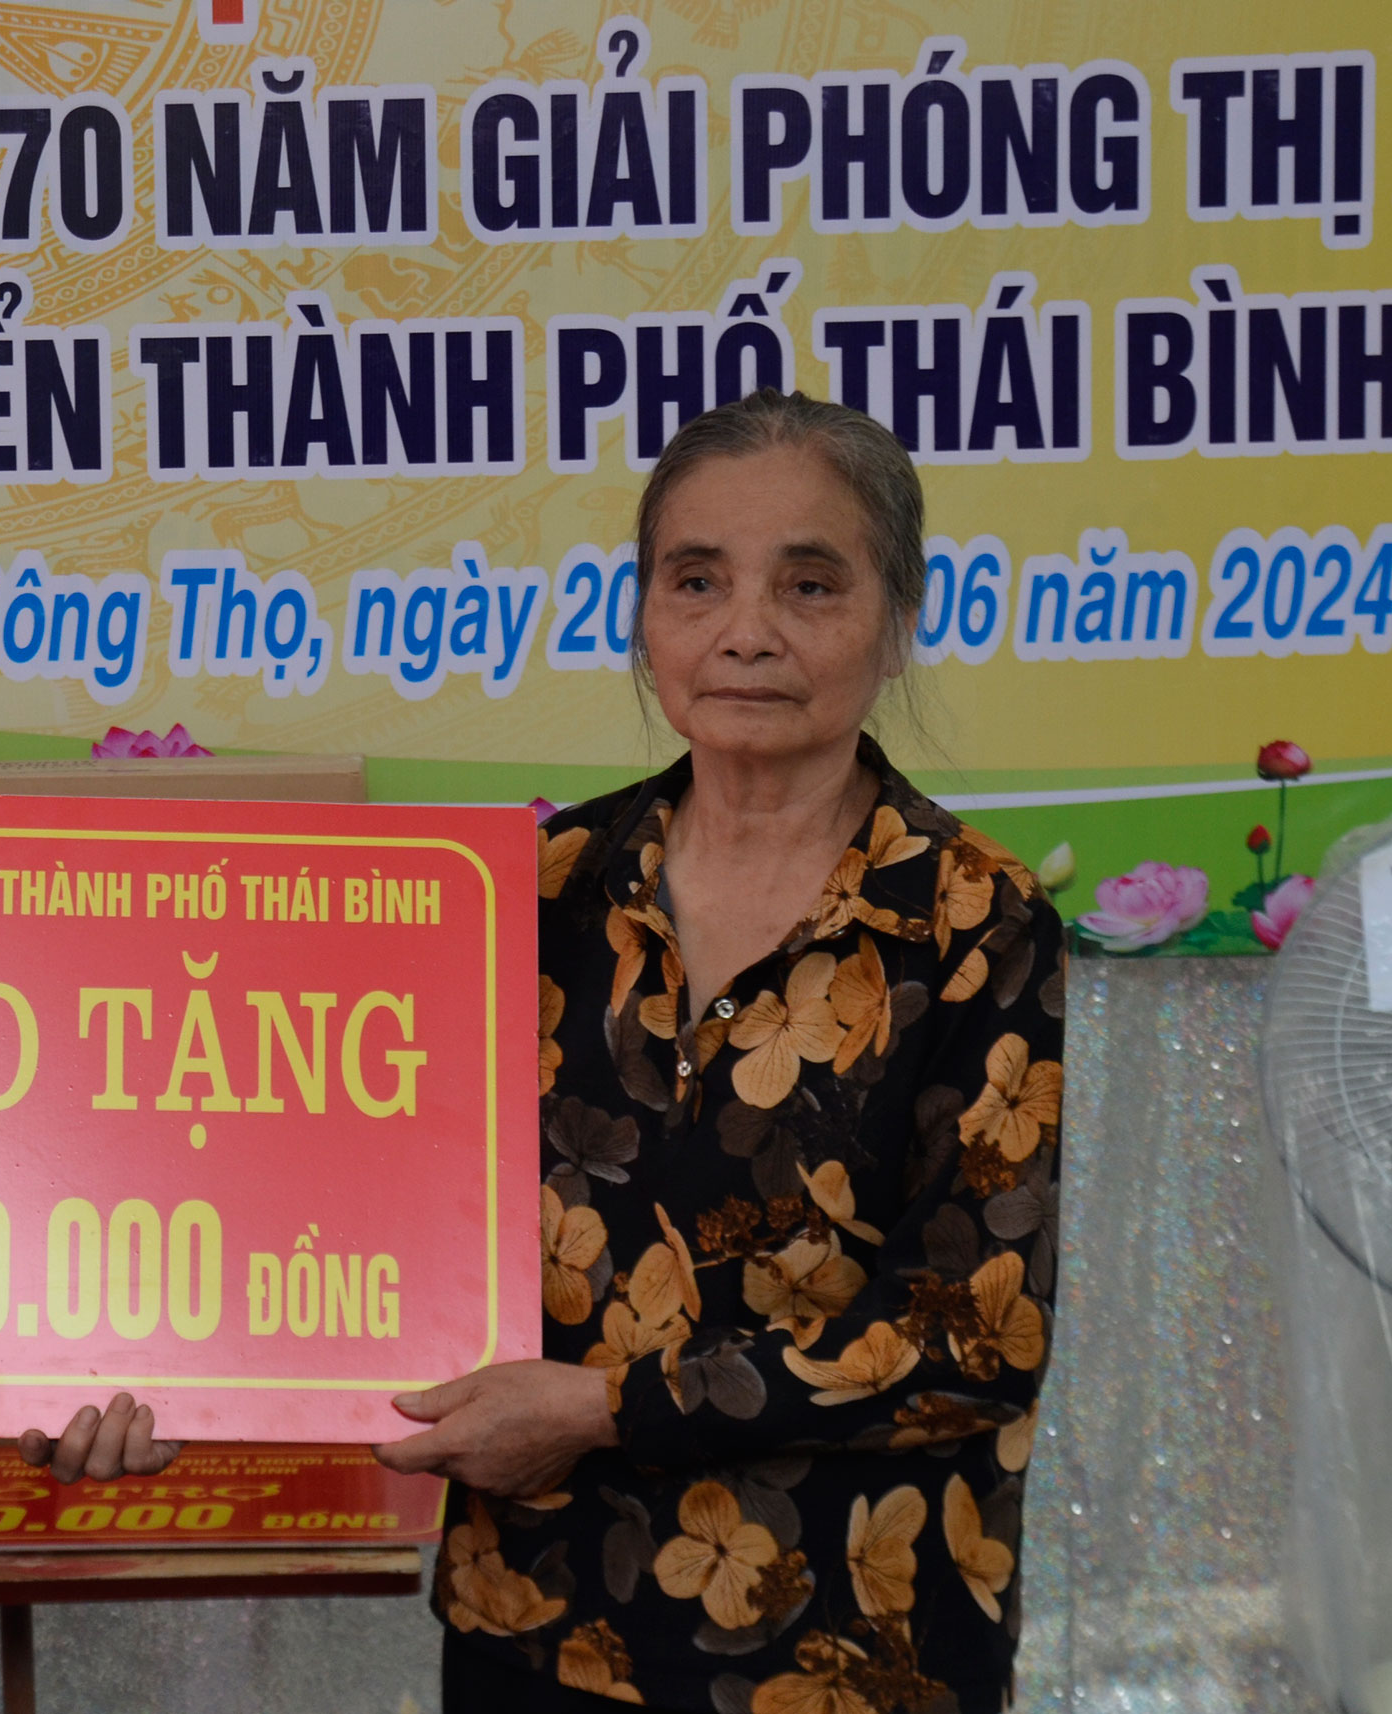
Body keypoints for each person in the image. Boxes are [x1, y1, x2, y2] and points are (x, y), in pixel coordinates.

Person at [373, 391, 1068, 1711]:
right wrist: (187, 1388)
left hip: (851, 1651)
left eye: (810, 584)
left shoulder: (973, 921)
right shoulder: (528, 890)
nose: (747, 630)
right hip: (536, 1627)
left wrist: (597, 1410)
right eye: (697, 580)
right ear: (642, 617)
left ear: (898, 620)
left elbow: (972, 1343)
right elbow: (374, 1233)